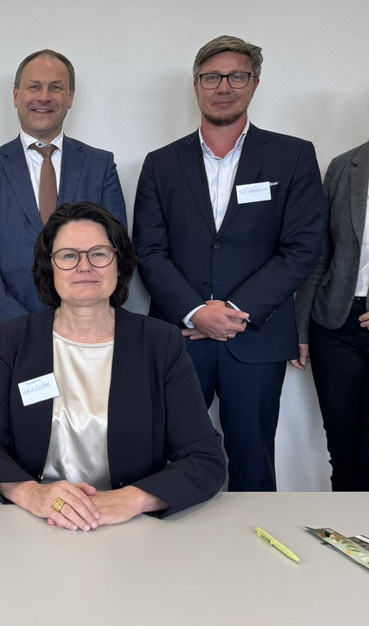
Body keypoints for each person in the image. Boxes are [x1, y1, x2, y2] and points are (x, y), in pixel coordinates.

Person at [0, 202, 225, 530]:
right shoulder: (15, 338)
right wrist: (34, 495)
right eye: (69, 255)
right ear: (49, 266)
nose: (84, 266)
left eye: (99, 253)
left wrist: (131, 498)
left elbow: (206, 459)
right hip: (35, 524)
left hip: (130, 527)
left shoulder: (160, 342)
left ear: (119, 264)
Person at [132, 35, 323, 491]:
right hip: (181, 337)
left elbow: (301, 247)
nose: (224, 86)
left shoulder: (293, 155)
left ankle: (252, 561)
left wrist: (231, 313)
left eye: (237, 76)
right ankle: (177, 557)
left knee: (253, 460)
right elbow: (148, 250)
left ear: (254, 84)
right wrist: (198, 311)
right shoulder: (160, 164)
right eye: (212, 77)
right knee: (172, 457)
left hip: (255, 338)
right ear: (196, 85)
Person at [0, 49, 126, 364]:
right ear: (16, 95)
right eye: (34, 86)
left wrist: (78, 319)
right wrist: (23, 325)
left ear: (70, 97)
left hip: (89, 335)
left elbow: (116, 250)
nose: (44, 97)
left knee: (87, 415)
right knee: (13, 415)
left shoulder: (100, 165)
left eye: (56, 87)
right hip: (9, 335)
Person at [291, 140, 369, 491]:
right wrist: (301, 329)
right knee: (341, 446)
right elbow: (319, 254)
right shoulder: (345, 166)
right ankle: (350, 542)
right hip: (335, 325)